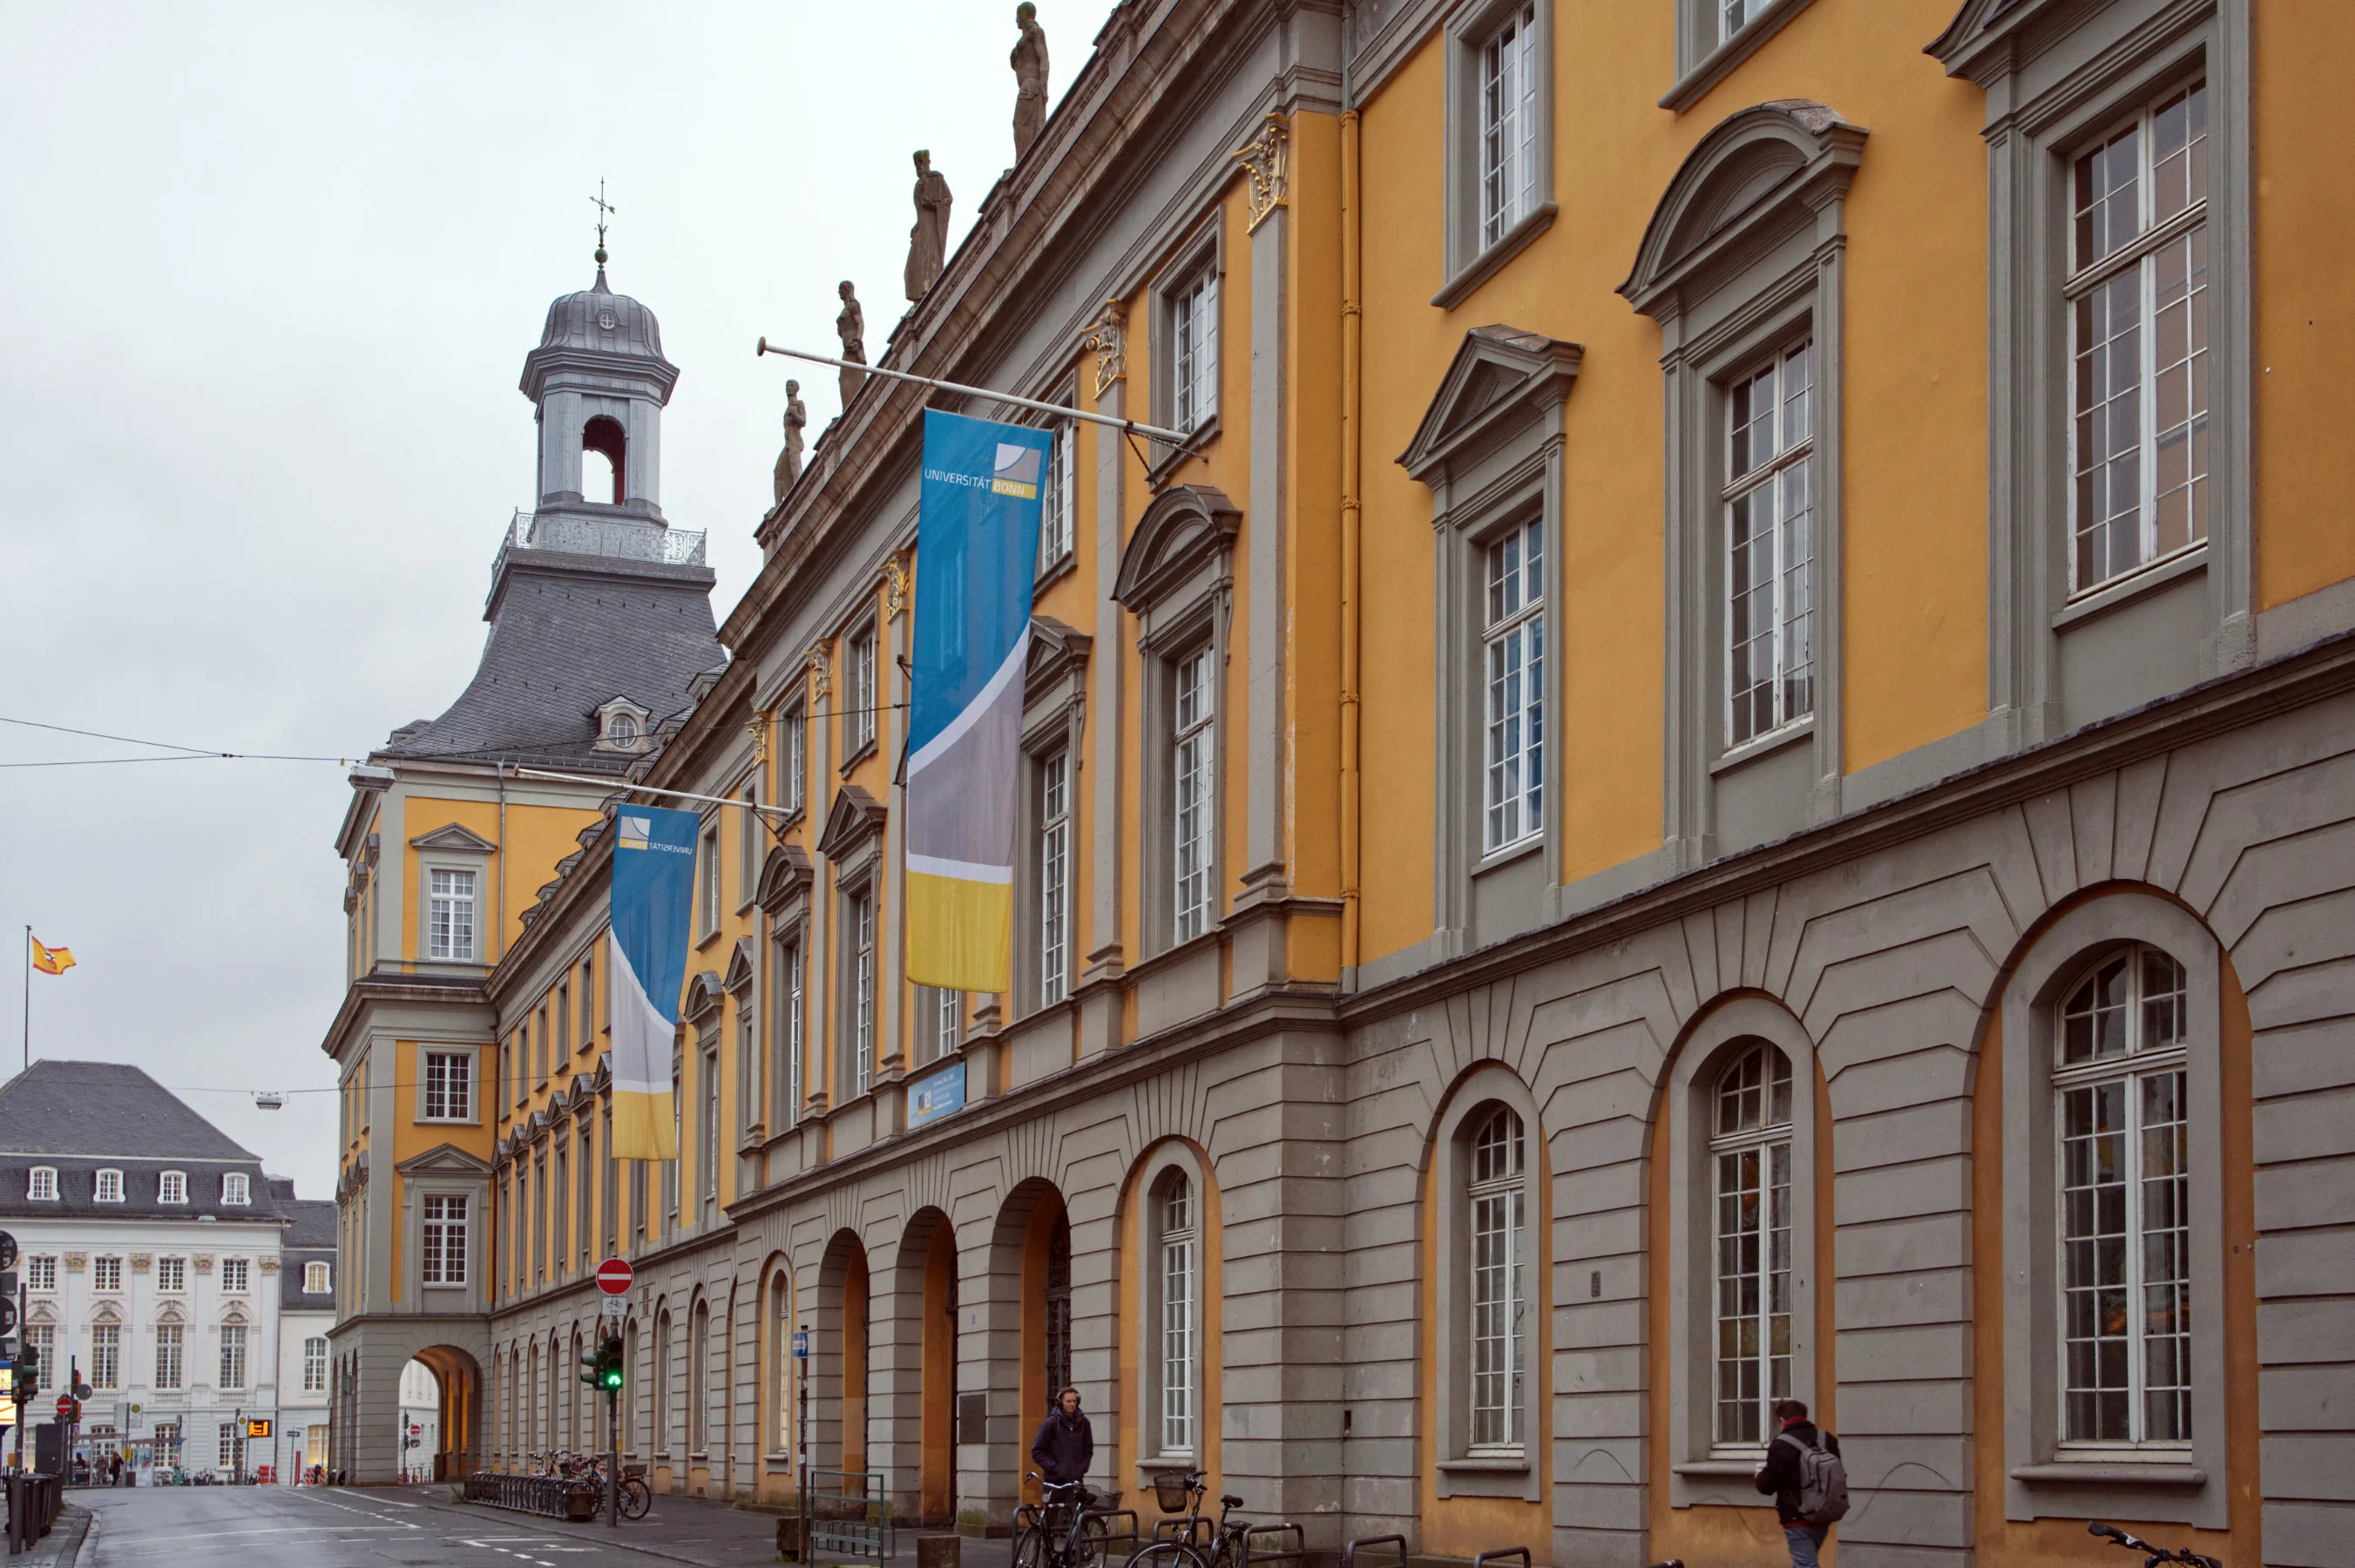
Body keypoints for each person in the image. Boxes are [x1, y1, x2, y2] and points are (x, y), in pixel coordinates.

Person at [1754, 1398, 1841, 1567]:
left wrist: (1760, 1477)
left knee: (1805, 1565)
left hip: (1796, 1515)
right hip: (1824, 1513)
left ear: (1782, 1420)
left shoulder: (1781, 1444)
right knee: (1803, 1561)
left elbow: (1767, 1486)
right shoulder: (1827, 1439)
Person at [1029, 1386, 1093, 1488]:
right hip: (1054, 1483)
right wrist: (1054, 1468)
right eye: (1068, 1401)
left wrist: (1082, 1468)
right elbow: (1037, 1451)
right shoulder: (1051, 1423)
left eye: (1074, 1401)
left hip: (1076, 1482)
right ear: (1060, 1402)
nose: (1072, 1404)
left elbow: (1088, 1449)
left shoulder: (1084, 1423)